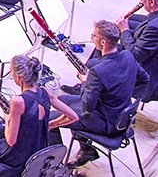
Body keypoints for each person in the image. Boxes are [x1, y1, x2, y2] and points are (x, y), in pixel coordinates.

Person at [0, 55, 76, 177]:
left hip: (17, 155)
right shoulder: (45, 92)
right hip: (36, 146)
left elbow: (11, 140)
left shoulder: (18, 101)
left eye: (11, 71)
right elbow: (73, 116)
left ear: (19, 77)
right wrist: (50, 125)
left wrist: (7, 117)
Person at [51, 20, 149, 166]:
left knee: (50, 119)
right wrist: (122, 92)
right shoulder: (127, 55)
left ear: (103, 42)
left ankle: (52, 164)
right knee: (62, 100)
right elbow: (145, 79)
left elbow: (87, 107)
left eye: (93, 36)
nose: (92, 38)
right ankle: (87, 150)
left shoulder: (98, 71)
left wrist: (85, 82)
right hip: (122, 115)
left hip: (108, 123)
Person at [118, 0, 158, 101]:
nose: (140, 2)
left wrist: (124, 30)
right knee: (131, 19)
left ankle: (90, 87)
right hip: (149, 58)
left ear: (151, 2)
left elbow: (136, 55)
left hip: (145, 74)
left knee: (105, 45)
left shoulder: (154, 27)